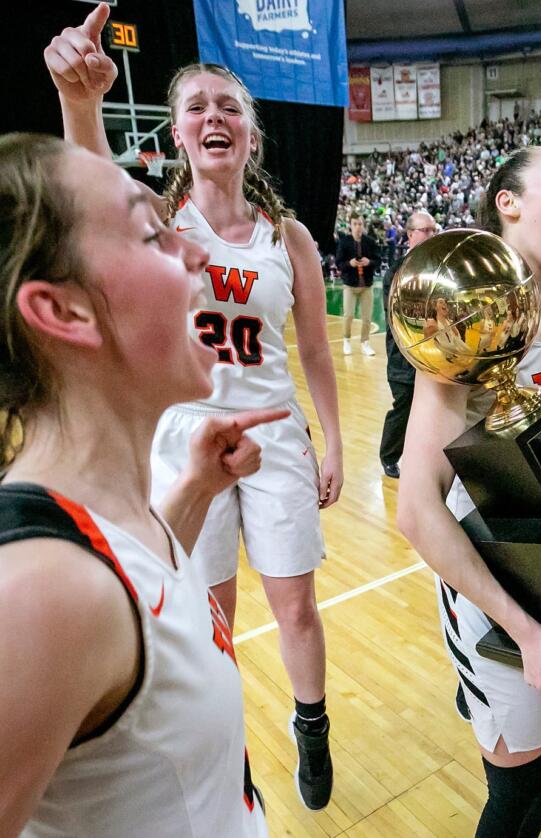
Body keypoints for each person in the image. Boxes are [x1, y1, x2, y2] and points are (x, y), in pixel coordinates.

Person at [46, 6, 343, 809]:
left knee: (297, 606)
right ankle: (231, 742)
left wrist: (334, 442)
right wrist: (82, 105)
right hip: (184, 436)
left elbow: (315, 349)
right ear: (176, 134)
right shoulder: (156, 224)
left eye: (229, 107)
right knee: (213, 613)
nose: (215, 117)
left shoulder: (291, 237)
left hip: (276, 433)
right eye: (197, 107)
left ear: (250, 134)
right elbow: (91, 193)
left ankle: (309, 724)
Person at [0, 132, 271, 836]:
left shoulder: (105, 523)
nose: (198, 253)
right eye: (155, 235)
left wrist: (192, 494)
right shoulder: (37, 593)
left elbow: (133, 607)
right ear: (64, 312)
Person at [397, 146, 541, 837]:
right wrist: (525, 631)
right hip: (493, 594)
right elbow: (416, 509)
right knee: (517, 793)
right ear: (507, 203)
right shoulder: (466, 319)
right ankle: (481, 682)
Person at [379, 210, 438, 478]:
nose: (431, 235)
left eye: (434, 230)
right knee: (403, 405)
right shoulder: (395, 273)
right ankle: (389, 456)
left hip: (434, 357)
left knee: (433, 409)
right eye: (426, 230)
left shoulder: (438, 270)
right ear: (410, 234)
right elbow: (400, 320)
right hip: (405, 358)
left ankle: (426, 459)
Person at [335, 213, 380, 355]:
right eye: (355, 224)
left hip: (367, 286)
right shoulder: (344, 242)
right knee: (348, 315)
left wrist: (369, 262)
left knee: (367, 317)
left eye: (360, 224)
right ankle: (346, 340)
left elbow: (378, 261)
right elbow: (339, 263)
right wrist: (350, 263)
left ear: (363, 225)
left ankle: (365, 343)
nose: (358, 227)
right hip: (350, 285)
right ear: (350, 225)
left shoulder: (370, 242)